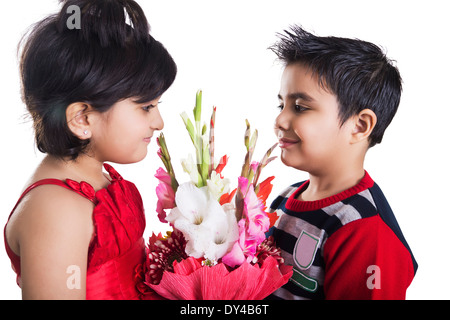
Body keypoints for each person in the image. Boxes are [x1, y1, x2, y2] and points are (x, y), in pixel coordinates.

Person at [3, 0, 176, 299]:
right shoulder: (58, 210)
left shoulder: (99, 176)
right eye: (146, 107)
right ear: (81, 118)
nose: (159, 122)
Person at [267, 25, 417, 299]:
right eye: (281, 105)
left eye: (300, 107)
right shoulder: (284, 198)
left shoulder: (366, 231)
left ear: (360, 126)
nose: (280, 120)